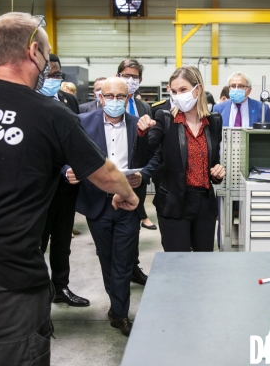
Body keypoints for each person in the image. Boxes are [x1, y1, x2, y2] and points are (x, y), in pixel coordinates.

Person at [0, 12, 139, 365]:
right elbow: (105, 173)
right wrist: (129, 194)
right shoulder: (50, 114)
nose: (48, 63)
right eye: (47, 54)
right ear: (34, 52)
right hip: (8, 278)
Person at [68, 77, 158, 336]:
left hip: (128, 203)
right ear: (100, 97)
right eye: (109, 96)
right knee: (106, 258)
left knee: (123, 260)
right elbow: (63, 155)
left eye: (121, 97)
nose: (115, 101)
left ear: (128, 98)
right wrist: (67, 171)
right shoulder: (83, 123)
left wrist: (143, 175)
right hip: (97, 203)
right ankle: (115, 303)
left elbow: (154, 158)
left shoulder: (138, 126)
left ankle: (120, 314)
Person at [137, 66, 226, 252]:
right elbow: (142, 157)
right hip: (174, 203)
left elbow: (214, 161)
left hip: (204, 204)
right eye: (174, 91)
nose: (178, 96)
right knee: (177, 264)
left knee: (204, 262)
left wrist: (218, 172)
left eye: (183, 90)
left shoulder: (214, 121)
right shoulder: (164, 118)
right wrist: (142, 134)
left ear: (198, 89)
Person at [39, 53, 89, 307]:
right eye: (47, 74)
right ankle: (38, 296)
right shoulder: (27, 100)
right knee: (37, 242)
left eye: (56, 74)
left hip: (66, 185)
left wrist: (72, 166)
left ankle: (61, 286)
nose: (52, 78)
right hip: (37, 189)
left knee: (62, 240)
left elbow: (75, 139)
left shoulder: (68, 100)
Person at [117, 58, 155, 285]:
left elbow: (148, 144)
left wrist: (143, 173)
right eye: (126, 75)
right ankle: (119, 269)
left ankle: (133, 267)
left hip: (136, 176)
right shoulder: (108, 102)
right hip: (113, 174)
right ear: (118, 76)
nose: (130, 80)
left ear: (140, 81)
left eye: (134, 77)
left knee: (133, 227)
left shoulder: (144, 107)